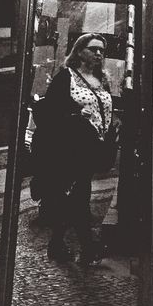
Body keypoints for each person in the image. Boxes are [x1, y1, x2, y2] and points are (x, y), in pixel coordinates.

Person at [31, 32, 116, 266]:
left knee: (77, 196)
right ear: (79, 51)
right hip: (71, 147)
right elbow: (50, 112)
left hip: (94, 146)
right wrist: (76, 115)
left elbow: (107, 109)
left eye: (101, 50)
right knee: (80, 196)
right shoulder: (66, 77)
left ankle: (57, 244)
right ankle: (88, 248)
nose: (98, 54)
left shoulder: (103, 78)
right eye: (93, 49)